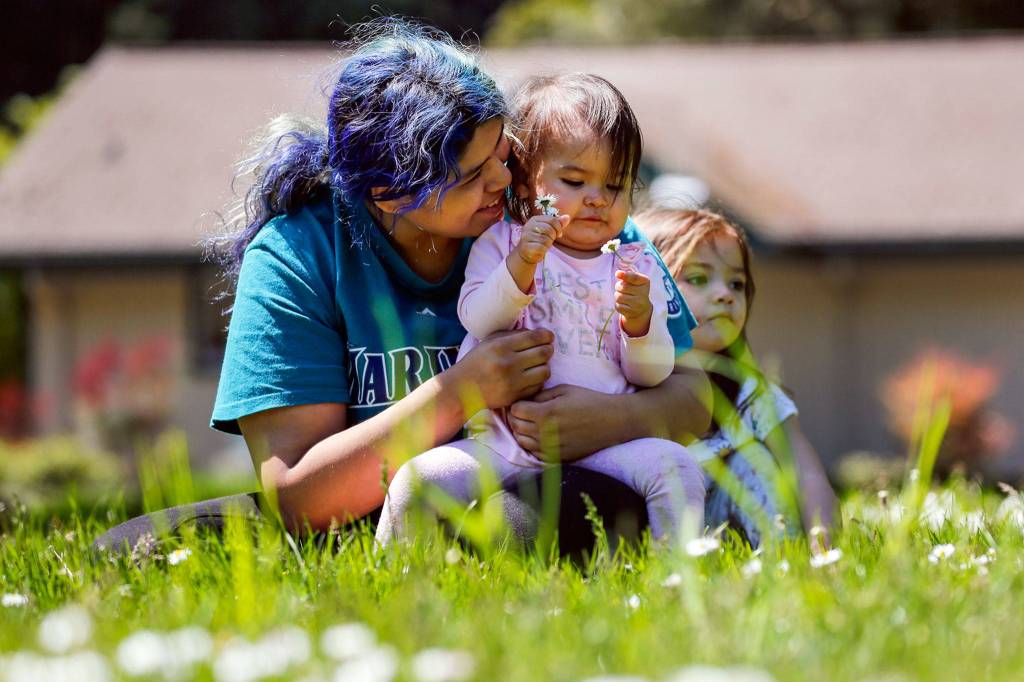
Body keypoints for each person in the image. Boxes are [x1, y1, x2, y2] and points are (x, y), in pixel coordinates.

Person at [204, 21, 712, 538]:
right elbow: (299, 499)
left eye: (503, 151)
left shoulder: (571, 218)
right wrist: (460, 391)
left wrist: (612, 421)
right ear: (390, 194)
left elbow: (693, 400)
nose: (503, 180)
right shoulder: (295, 254)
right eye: (473, 174)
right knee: (142, 547)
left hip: (554, 488)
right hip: (373, 517)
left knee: (527, 520)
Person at [375, 74, 704, 544]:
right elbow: (479, 320)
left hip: (605, 444)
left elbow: (653, 375)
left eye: (616, 185)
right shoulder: (504, 241)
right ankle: (397, 584)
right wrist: (522, 265)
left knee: (679, 467)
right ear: (528, 185)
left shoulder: (633, 258)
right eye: (574, 181)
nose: (597, 198)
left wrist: (642, 324)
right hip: (503, 444)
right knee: (416, 480)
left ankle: (681, 579)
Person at [637, 208, 838, 548]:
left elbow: (807, 475)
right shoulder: (623, 387)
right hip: (652, 542)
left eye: (737, 283)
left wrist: (825, 547)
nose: (725, 294)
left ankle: (783, 559)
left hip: (734, 541)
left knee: (754, 462)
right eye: (699, 278)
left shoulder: (750, 394)